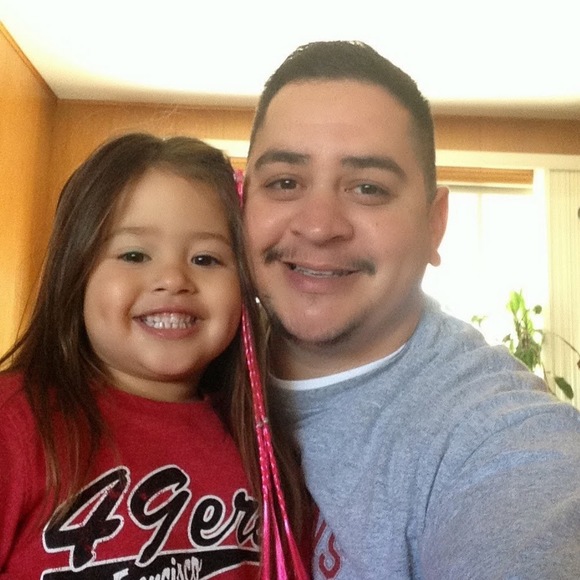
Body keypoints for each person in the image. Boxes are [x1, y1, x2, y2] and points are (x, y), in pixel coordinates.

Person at [243, 40, 580, 579]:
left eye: (368, 188)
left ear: (434, 224)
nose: (319, 225)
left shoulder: (503, 441)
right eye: (284, 182)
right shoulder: (185, 360)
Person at [0, 133, 307, 579]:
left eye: (206, 259)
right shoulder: (15, 422)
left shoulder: (263, 440)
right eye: (134, 254)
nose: (172, 279)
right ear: (76, 272)